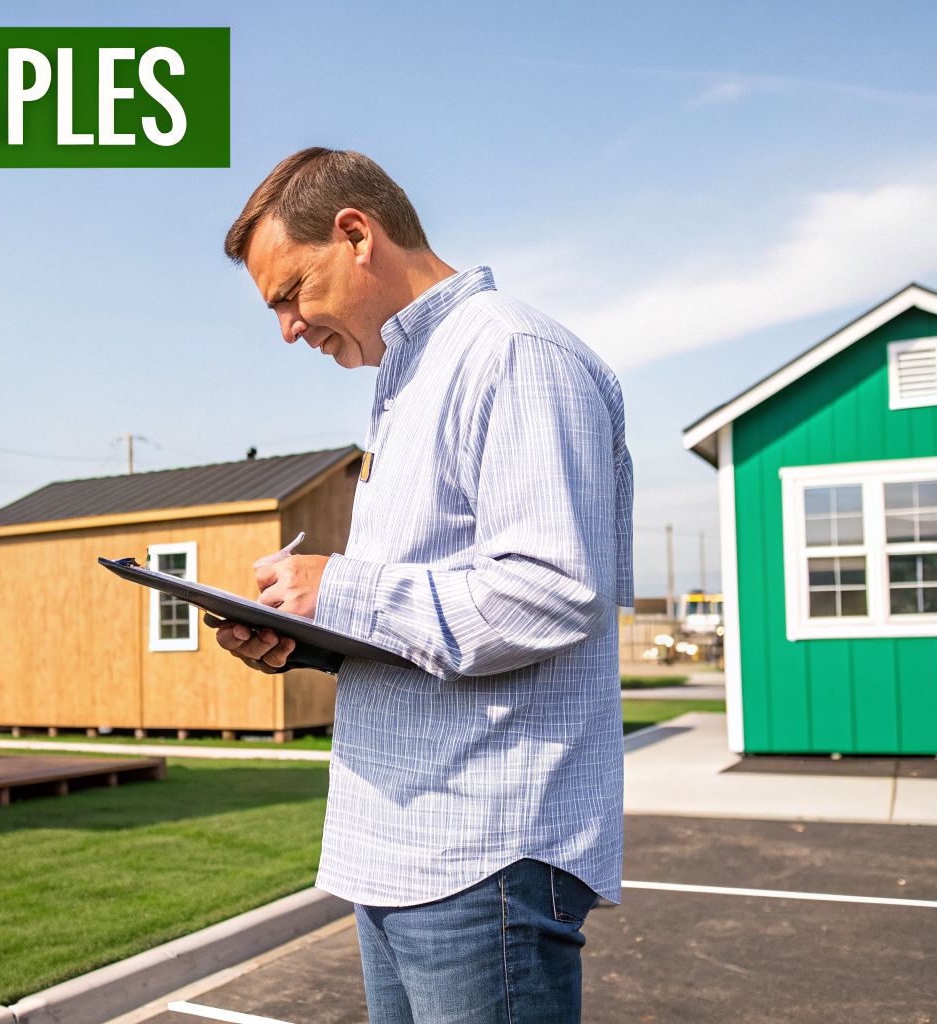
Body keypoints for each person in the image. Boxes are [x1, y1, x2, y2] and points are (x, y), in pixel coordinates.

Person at [214, 147, 633, 1024]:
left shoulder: (513, 354)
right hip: (405, 846)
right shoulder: (409, 382)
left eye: (291, 293)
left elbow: (552, 590)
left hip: (484, 853)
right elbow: (444, 609)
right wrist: (312, 638)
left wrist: (342, 588)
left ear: (356, 234)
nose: (288, 328)